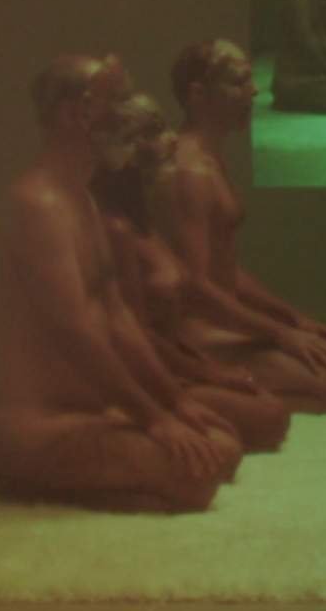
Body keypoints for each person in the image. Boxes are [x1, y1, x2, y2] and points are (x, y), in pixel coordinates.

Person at [0, 54, 242, 512]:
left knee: (226, 445)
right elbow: (74, 331)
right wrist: (153, 418)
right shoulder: (38, 205)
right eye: (118, 100)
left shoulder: (80, 199)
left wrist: (173, 401)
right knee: (199, 476)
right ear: (74, 114)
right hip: (40, 428)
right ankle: (19, 474)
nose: (131, 110)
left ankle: (72, 473)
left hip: (90, 414)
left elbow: (117, 316)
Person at [155, 39, 326, 412]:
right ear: (198, 94)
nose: (253, 91)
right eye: (239, 82)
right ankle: (194, 385)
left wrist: (291, 317)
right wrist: (279, 333)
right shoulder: (190, 171)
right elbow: (195, 286)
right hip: (197, 335)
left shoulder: (208, 157)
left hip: (221, 320)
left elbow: (226, 270)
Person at [93, 92, 291, 453]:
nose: (171, 139)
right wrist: (204, 372)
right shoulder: (115, 229)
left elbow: (198, 289)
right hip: (145, 373)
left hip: (176, 358)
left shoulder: (141, 217)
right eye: (153, 132)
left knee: (273, 407)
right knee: (269, 417)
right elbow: (131, 334)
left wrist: (281, 327)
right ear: (124, 150)